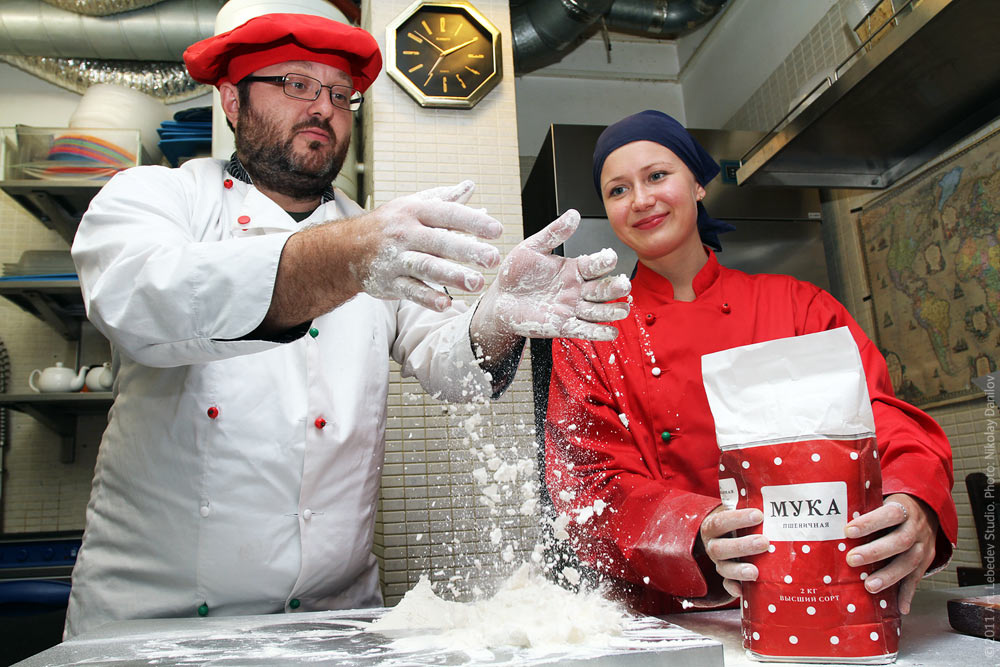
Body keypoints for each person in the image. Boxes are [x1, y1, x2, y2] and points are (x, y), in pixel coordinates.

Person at [65, 13, 631, 638]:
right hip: (155, 621)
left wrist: (497, 319)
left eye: (340, 95)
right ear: (231, 99)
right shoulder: (160, 197)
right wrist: (349, 258)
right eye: (296, 84)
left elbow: (451, 365)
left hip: (334, 617)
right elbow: (139, 301)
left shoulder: (377, 234)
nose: (324, 108)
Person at [544, 110, 957, 615]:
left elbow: (879, 419)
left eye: (657, 175)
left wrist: (915, 498)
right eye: (618, 190)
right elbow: (586, 483)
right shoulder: (591, 335)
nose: (642, 200)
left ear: (697, 185)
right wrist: (696, 532)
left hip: (818, 592)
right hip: (667, 615)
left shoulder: (800, 306)